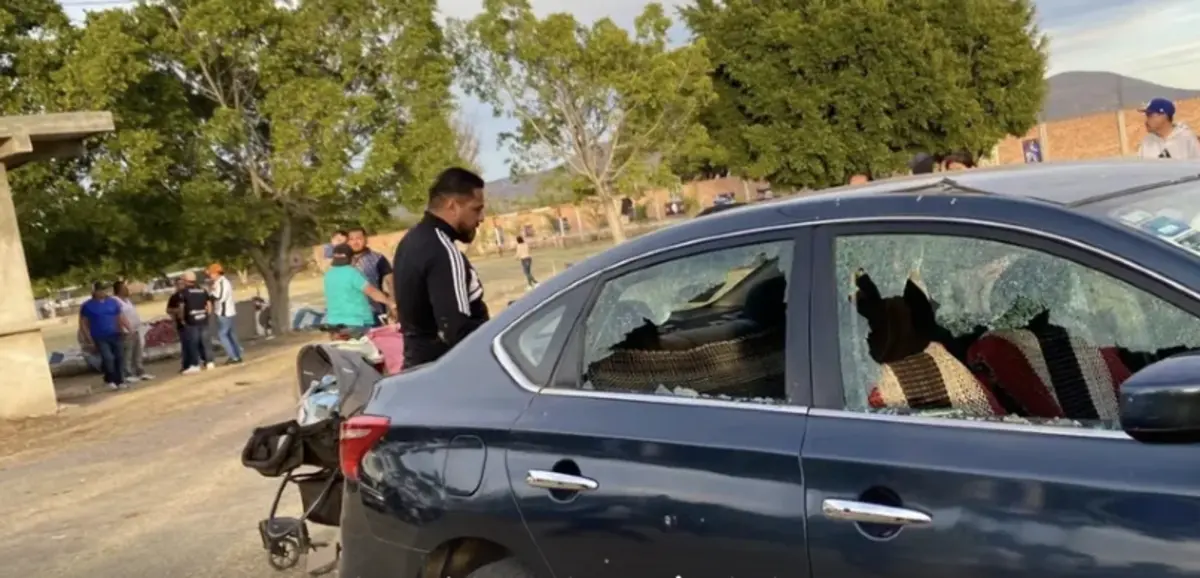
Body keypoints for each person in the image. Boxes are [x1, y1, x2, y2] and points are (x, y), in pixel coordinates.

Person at [393, 167, 490, 367]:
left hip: (417, 366)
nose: (481, 218)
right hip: (444, 371)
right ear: (452, 206)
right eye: (476, 209)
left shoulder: (410, 241)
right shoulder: (442, 249)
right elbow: (455, 330)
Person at [324, 244, 396, 338]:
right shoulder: (352, 273)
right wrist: (391, 303)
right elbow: (373, 293)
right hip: (356, 322)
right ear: (352, 258)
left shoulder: (329, 274)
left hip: (334, 322)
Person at [79, 281, 132, 390]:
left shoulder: (112, 302)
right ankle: (110, 379)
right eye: (101, 290)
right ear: (95, 291)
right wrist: (87, 337)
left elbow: (120, 317)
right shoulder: (88, 306)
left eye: (105, 290)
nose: (103, 292)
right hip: (99, 336)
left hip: (115, 333)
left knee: (119, 357)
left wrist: (128, 328)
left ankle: (119, 380)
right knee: (108, 358)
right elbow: (83, 323)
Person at [347, 226, 394, 325]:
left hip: (375, 311)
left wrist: (394, 305)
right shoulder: (343, 261)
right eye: (351, 239)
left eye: (359, 238)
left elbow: (391, 283)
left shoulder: (378, 258)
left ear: (366, 239)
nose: (355, 242)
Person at [114, 281, 154, 382]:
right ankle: (127, 374)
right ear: (119, 290)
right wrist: (124, 328)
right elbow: (118, 317)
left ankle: (140, 371)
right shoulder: (116, 301)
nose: (127, 290)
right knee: (128, 353)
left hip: (135, 329)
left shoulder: (127, 300)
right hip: (126, 331)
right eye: (125, 288)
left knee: (137, 351)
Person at [178, 271, 215, 374]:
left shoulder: (183, 293)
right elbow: (209, 304)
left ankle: (195, 364)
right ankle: (209, 362)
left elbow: (182, 307)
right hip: (203, 319)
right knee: (206, 342)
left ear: (185, 281)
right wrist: (207, 315)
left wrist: (182, 319)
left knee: (193, 343)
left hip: (191, 322)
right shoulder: (202, 290)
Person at [207, 263, 244, 364]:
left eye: (211, 273)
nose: (209, 275)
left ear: (216, 273)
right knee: (231, 334)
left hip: (224, 312)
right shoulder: (220, 282)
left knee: (222, 335)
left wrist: (209, 296)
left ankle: (234, 356)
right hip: (228, 311)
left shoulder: (222, 283)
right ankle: (237, 354)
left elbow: (219, 297)